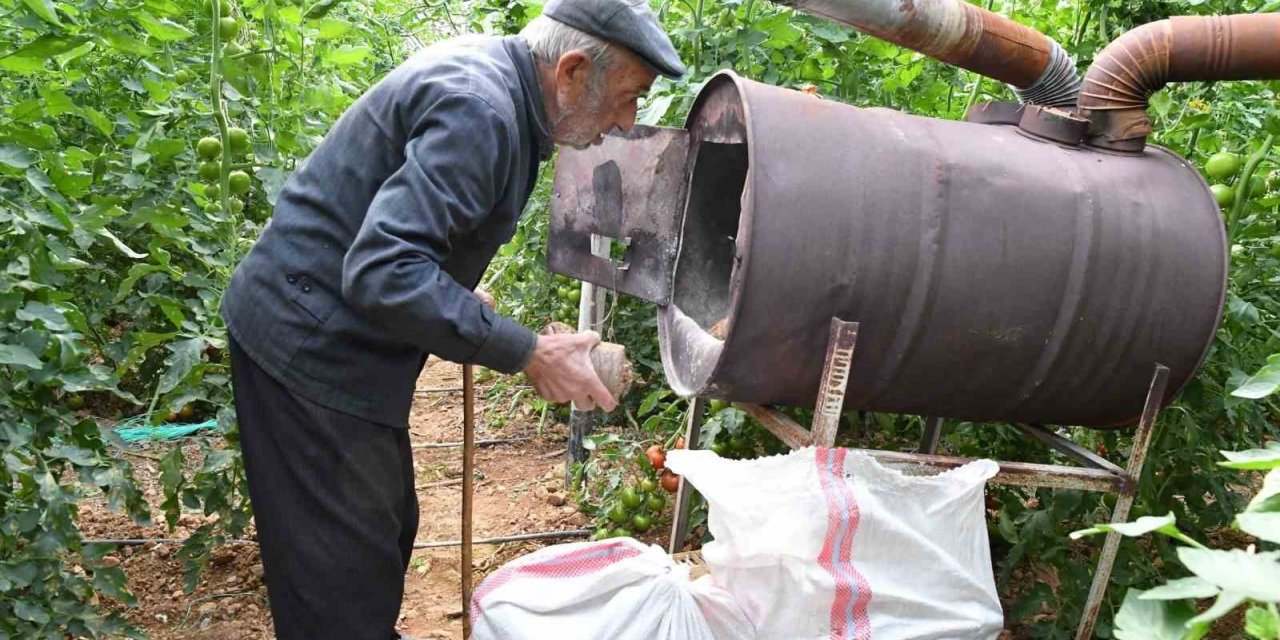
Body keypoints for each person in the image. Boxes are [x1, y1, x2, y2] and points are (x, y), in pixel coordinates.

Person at [218, 0, 685, 636]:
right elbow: (384, 270)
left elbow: (401, 244)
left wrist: (457, 298)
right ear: (573, 72)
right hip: (309, 346)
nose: (628, 122)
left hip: (336, 333)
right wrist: (527, 352)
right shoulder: (483, 111)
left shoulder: (501, 89)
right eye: (628, 97)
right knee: (341, 579)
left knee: (383, 529)